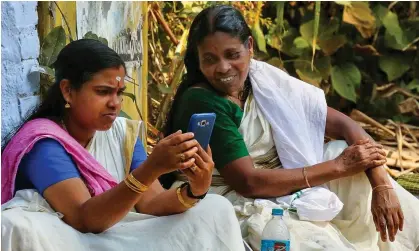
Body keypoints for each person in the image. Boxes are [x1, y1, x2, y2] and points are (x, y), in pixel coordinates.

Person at [164, 5, 419, 251]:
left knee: (346, 154)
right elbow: (248, 183)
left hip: (282, 179)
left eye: (232, 55)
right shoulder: (202, 100)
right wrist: (339, 166)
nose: (222, 68)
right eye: (210, 59)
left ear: (249, 47)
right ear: (198, 60)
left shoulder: (262, 80)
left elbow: (344, 125)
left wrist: (381, 185)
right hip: (233, 199)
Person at [1, 39, 245, 251]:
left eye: (119, 93)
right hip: (72, 241)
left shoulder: (121, 133)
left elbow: (151, 204)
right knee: (17, 227)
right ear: (67, 91)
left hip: (115, 234)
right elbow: (84, 219)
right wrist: (152, 168)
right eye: (103, 92)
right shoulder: (43, 142)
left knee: (216, 207)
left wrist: (196, 190)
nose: (115, 103)